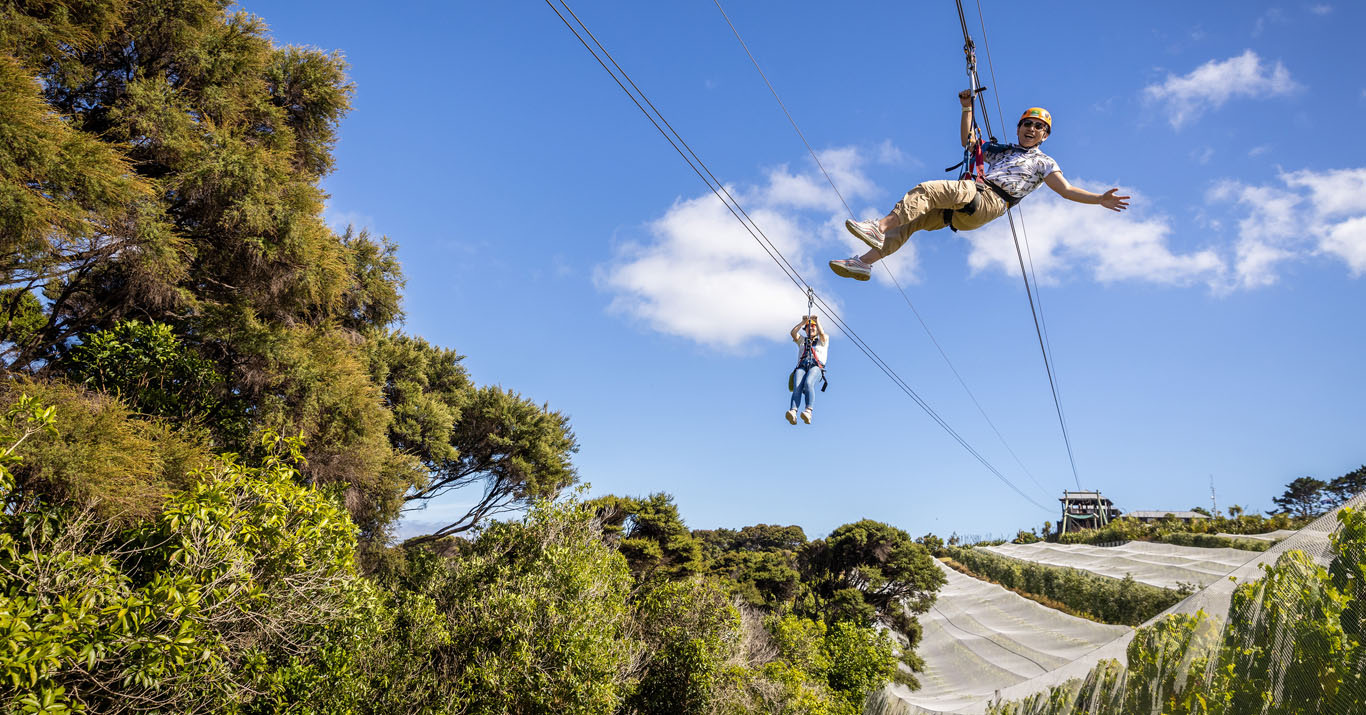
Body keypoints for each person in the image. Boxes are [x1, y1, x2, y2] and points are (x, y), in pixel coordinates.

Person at [829, 91, 1130, 281]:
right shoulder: (1001, 150)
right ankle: (864, 263)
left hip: (989, 200)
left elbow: (1065, 189)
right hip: (967, 208)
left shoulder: (1044, 162)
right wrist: (966, 107)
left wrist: (1097, 199)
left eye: (1039, 127)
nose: (1032, 129)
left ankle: (876, 227)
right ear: (1019, 127)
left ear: (1044, 136)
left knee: (928, 190)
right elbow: (968, 141)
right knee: (912, 222)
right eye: (1028, 123)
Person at [785, 314, 827, 425]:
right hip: (802, 366)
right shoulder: (802, 341)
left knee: (808, 383)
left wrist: (816, 321)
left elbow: (822, 334)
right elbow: (793, 333)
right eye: (808, 327)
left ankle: (808, 411)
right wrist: (803, 323)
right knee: (797, 386)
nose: (811, 328)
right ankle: (793, 411)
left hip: (816, 366)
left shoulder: (822, 340)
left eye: (813, 327)